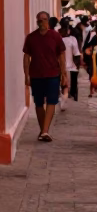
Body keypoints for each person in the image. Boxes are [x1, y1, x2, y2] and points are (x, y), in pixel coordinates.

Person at [22, 10, 67, 141]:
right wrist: (26, 75)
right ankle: (43, 131)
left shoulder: (55, 36)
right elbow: (26, 57)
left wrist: (64, 74)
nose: (41, 22)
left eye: (44, 19)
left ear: (48, 21)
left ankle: (45, 130)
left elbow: (61, 56)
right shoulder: (31, 38)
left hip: (53, 74)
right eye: (39, 20)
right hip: (36, 75)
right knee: (39, 103)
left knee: (52, 101)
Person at [59, 19, 81, 106]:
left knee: (64, 88)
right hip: (70, 68)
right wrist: (77, 66)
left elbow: (77, 54)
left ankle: (63, 100)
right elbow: (77, 54)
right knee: (68, 90)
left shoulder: (57, 38)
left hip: (63, 68)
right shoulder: (72, 39)